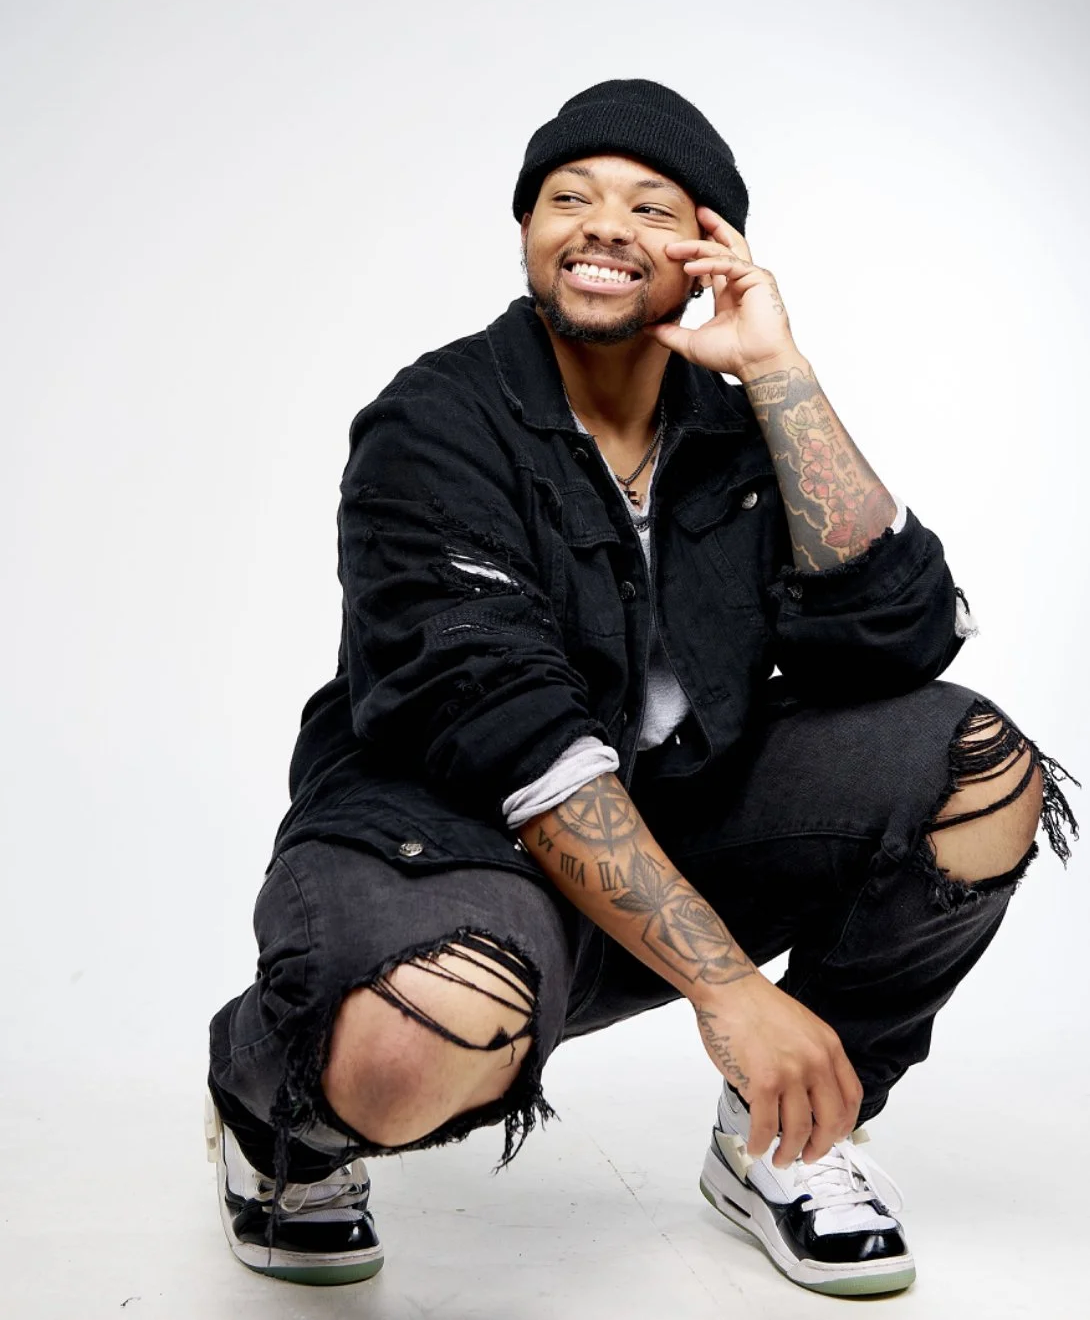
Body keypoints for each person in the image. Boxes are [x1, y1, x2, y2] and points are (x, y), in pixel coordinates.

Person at [205, 78, 1078, 1297]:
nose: (602, 224)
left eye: (650, 206)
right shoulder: (433, 421)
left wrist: (777, 371)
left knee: (977, 767)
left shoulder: (738, 425)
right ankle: (278, 1123)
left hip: (681, 810)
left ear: (708, 249)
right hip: (446, 840)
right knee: (412, 1048)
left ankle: (787, 1136)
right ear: (529, 230)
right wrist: (729, 987)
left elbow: (896, 640)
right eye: (568, 197)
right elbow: (510, 729)